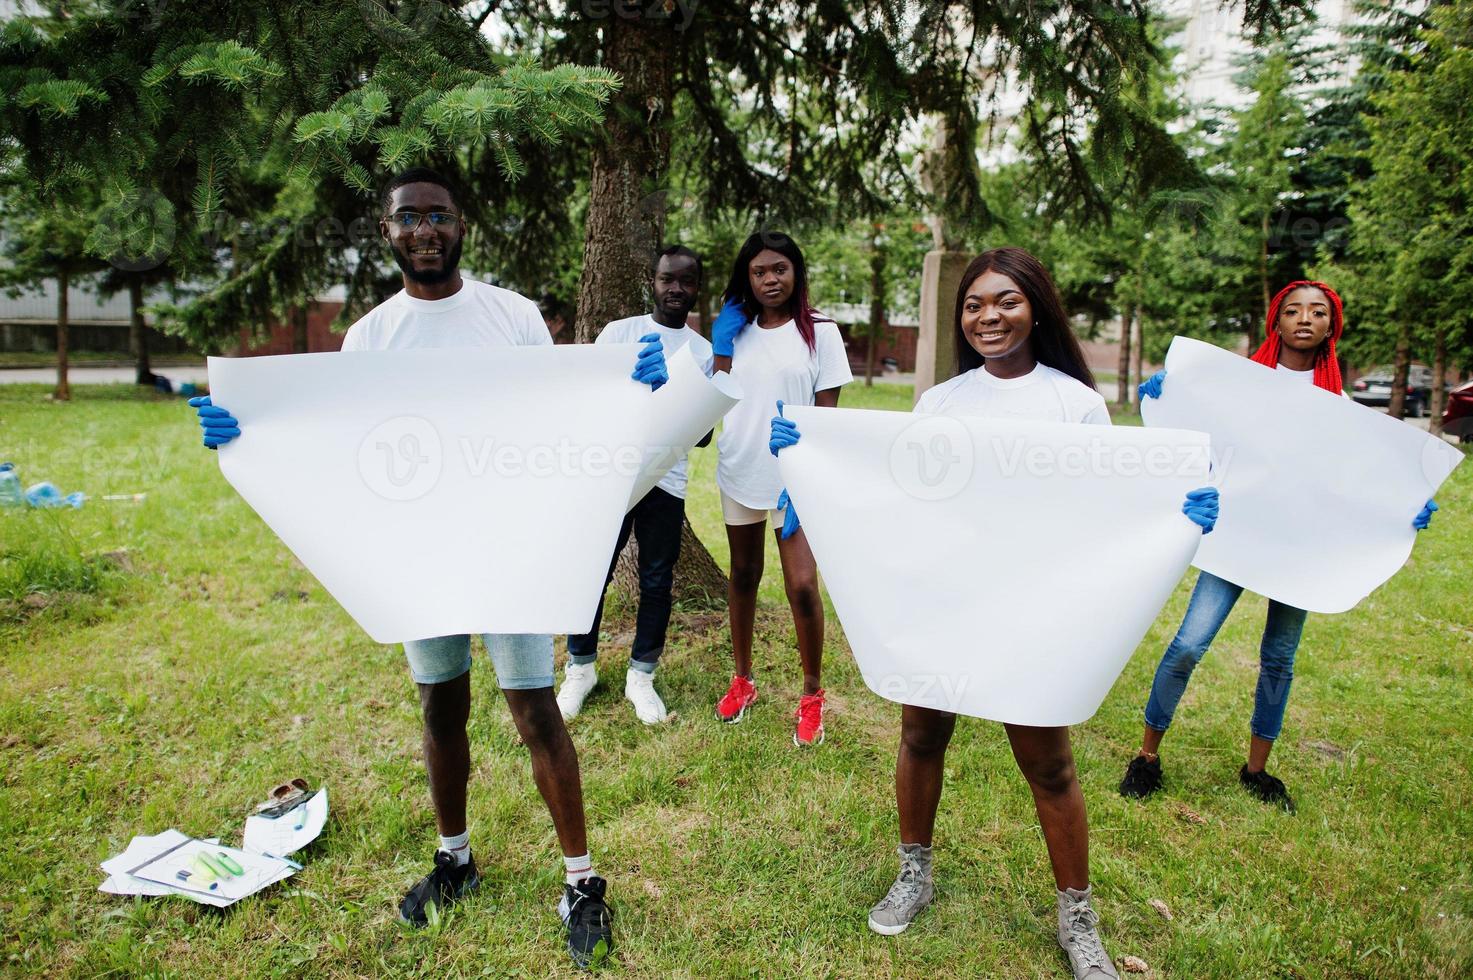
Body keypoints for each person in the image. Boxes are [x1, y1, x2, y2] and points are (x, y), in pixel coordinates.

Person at [186, 167, 669, 969]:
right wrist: (247, 436)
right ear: (387, 232)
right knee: (440, 708)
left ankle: (581, 880)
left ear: (461, 226)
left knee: (535, 710)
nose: (424, 230)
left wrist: (632, 392)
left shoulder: (511, 318)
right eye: (407, 217)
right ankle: (455, 859)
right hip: (420, 552)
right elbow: (343, 445)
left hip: (511, 544)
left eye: (438, 216)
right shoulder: (372, 336)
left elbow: (559, 419)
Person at [769, 247, 1218, 980]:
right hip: (943, 594)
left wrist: (1177, 510)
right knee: (920, 734)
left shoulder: (1072, 401)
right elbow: (900, 491)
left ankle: (1077, 917)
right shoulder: (940, 402)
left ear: (1035, 307)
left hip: (1030, 602)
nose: (988, 316)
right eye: (974, 304)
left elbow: (1102, 504)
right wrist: (810, 463)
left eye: (1004, 301)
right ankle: (915, 871)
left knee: (1048, 763)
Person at [1119, 280, 1439, 812]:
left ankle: (1257, 769)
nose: (1305, 319)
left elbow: (1359, 481)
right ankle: (1147, 756)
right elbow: (1196, 429)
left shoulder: (1339, 405)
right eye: (1293, 310)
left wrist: (1406, 505)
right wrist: (1165, 394)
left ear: (1331, 325)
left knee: (1279, 659)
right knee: (1190, 644)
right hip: (1236, 539)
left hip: (1297, 548)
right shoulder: (1242, 385)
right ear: (1277, 321)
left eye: (1318, 312)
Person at [557, 245, 714, 725]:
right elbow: (588, 403)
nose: (676, 289)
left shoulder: (701, 350)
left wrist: (675, 391)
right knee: (592, 574)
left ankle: (640, 675)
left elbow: (703, 434)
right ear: (654, 279)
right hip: (614, 474)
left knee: (657, 580)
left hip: (667, 480)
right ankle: (579, 670)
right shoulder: (619, 333)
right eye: (669, 279)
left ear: (696, 289)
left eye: (686, 281)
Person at [708, 231, 852, 746]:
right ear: (745, 278)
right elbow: (712, 402)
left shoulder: (821, 332)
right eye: (759, 271)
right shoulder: (735, 332)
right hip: (740, 468)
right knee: (743, 575)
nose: (770, 279)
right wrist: (720, 350)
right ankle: (742, 680)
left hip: (794, 477)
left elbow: (826, 418)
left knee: (802, 585)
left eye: (779, 269)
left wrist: (805, 473)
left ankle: (812, 693)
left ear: (796, 273)